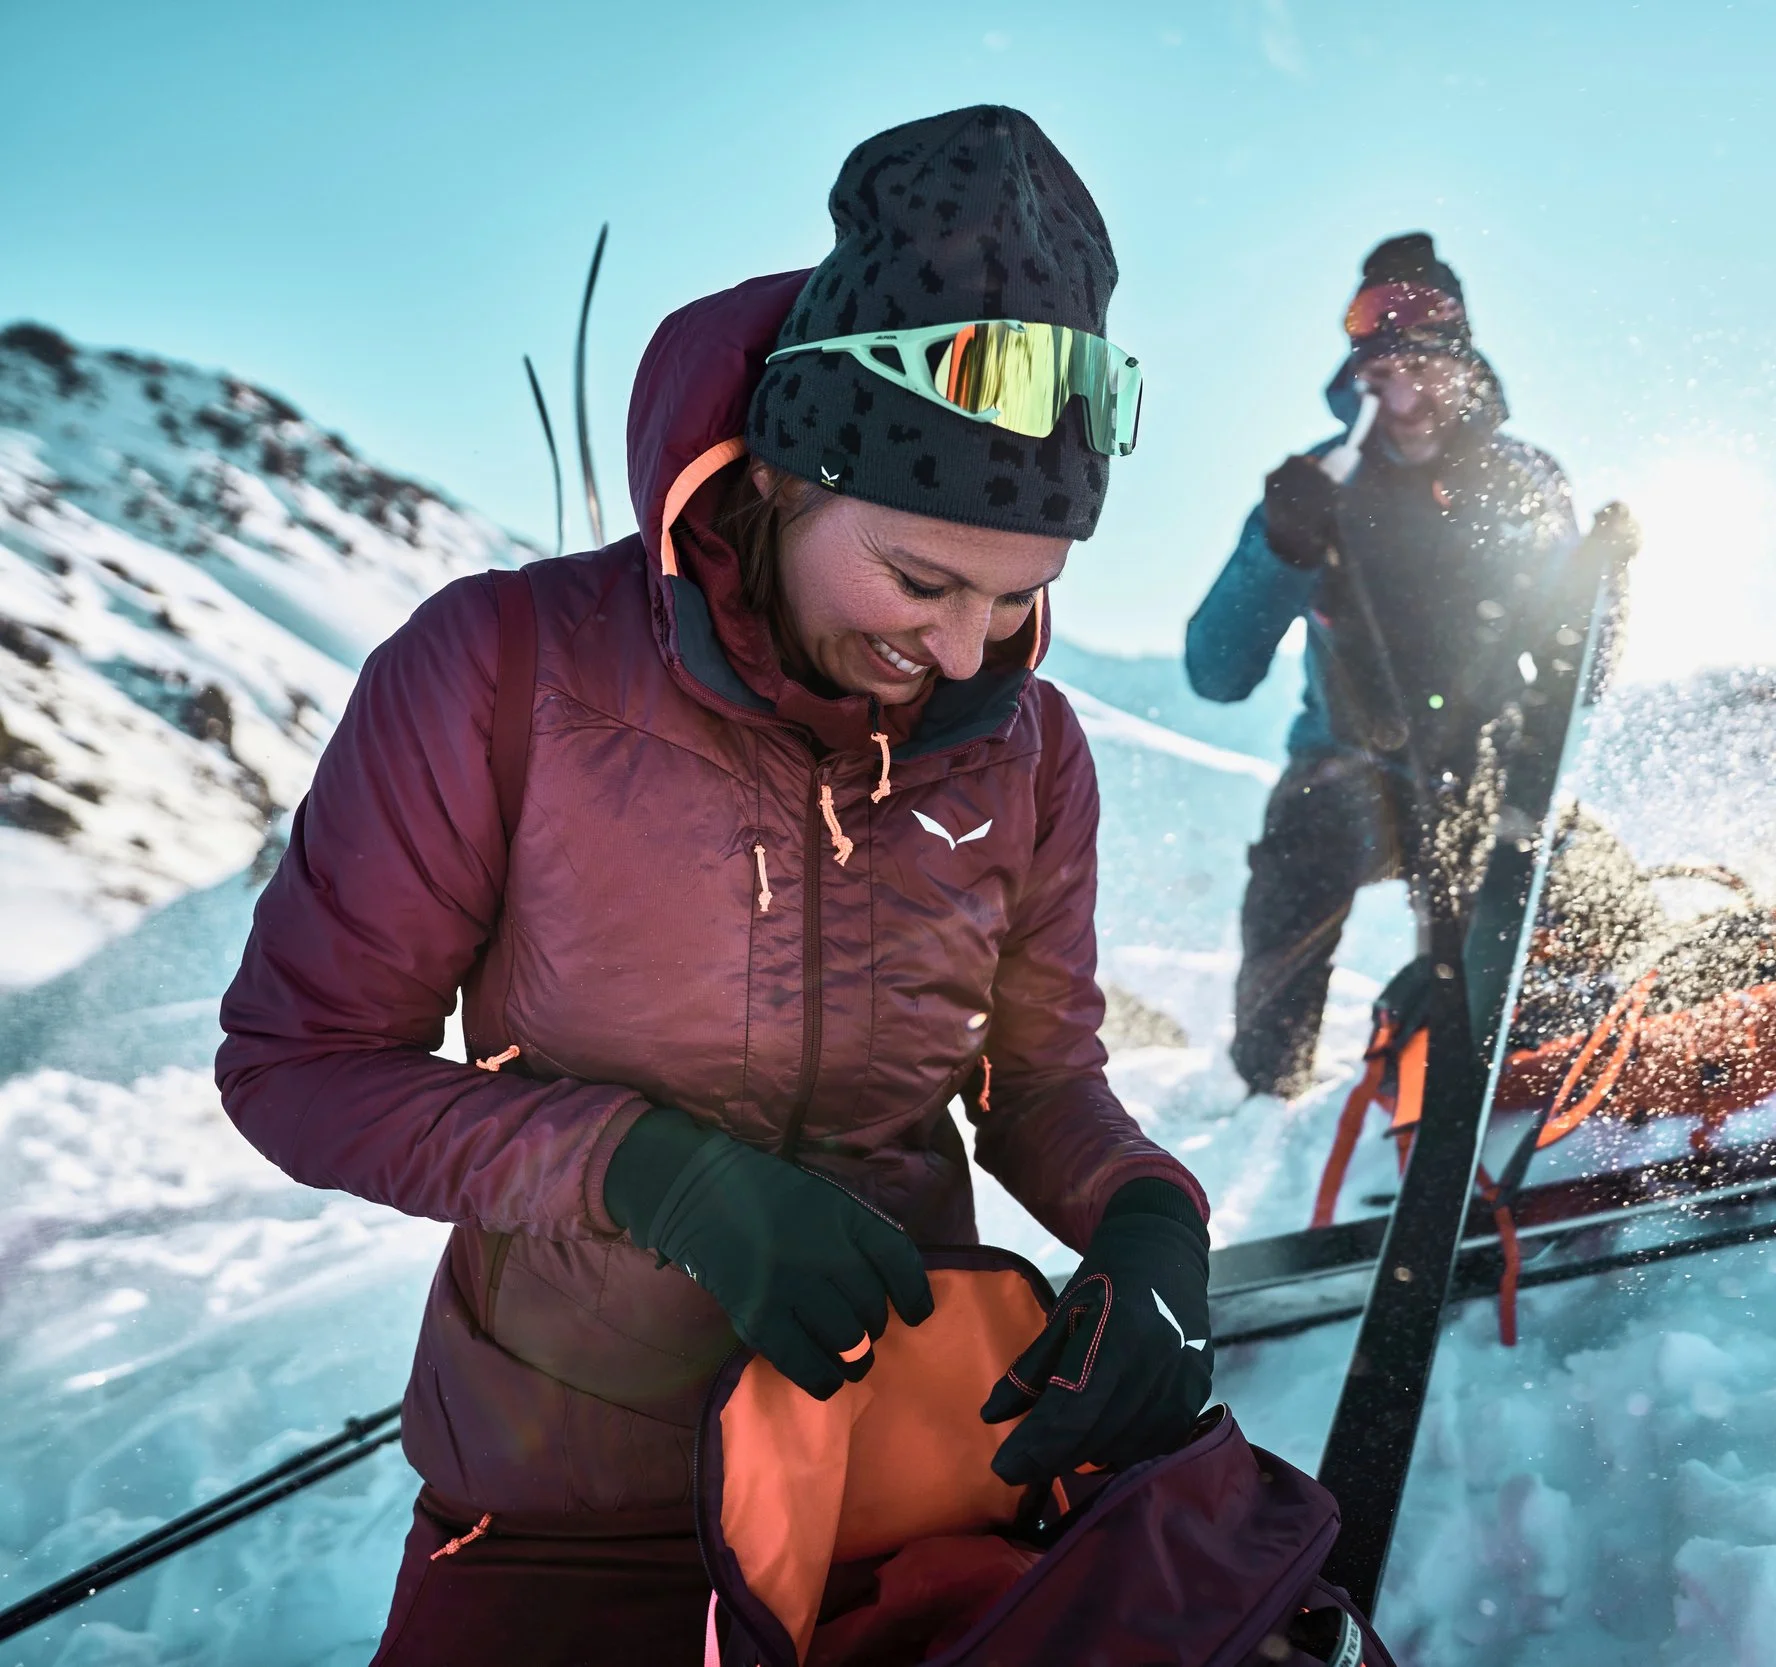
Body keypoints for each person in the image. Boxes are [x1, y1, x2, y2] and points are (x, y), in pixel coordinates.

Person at [217, 107, 1212, 1663]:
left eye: (1023, 596)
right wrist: (649, 1172)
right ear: (788, 476)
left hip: (892, 1478)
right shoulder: (500, 670)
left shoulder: (1032, 745)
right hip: (564, 1502)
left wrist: (1153, 1224)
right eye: (919, 580)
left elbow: (1039, 1082)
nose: (964, 654)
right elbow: (300, 1066)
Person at [1185, 233, 1635, 1100]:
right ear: (1358, 384)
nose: (1407, 396)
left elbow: (1581, 668)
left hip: (1483, 770)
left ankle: (1478, 1079)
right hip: (1346, 767)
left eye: (1428, 367)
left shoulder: (1525, 485)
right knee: (1305, 836)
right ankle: (1264, 1098)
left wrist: (1601, 585)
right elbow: (1216, 671)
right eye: (1383, 375)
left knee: (1524, 901)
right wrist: (1280, 550)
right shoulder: (1317, 487)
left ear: (1466, 369)